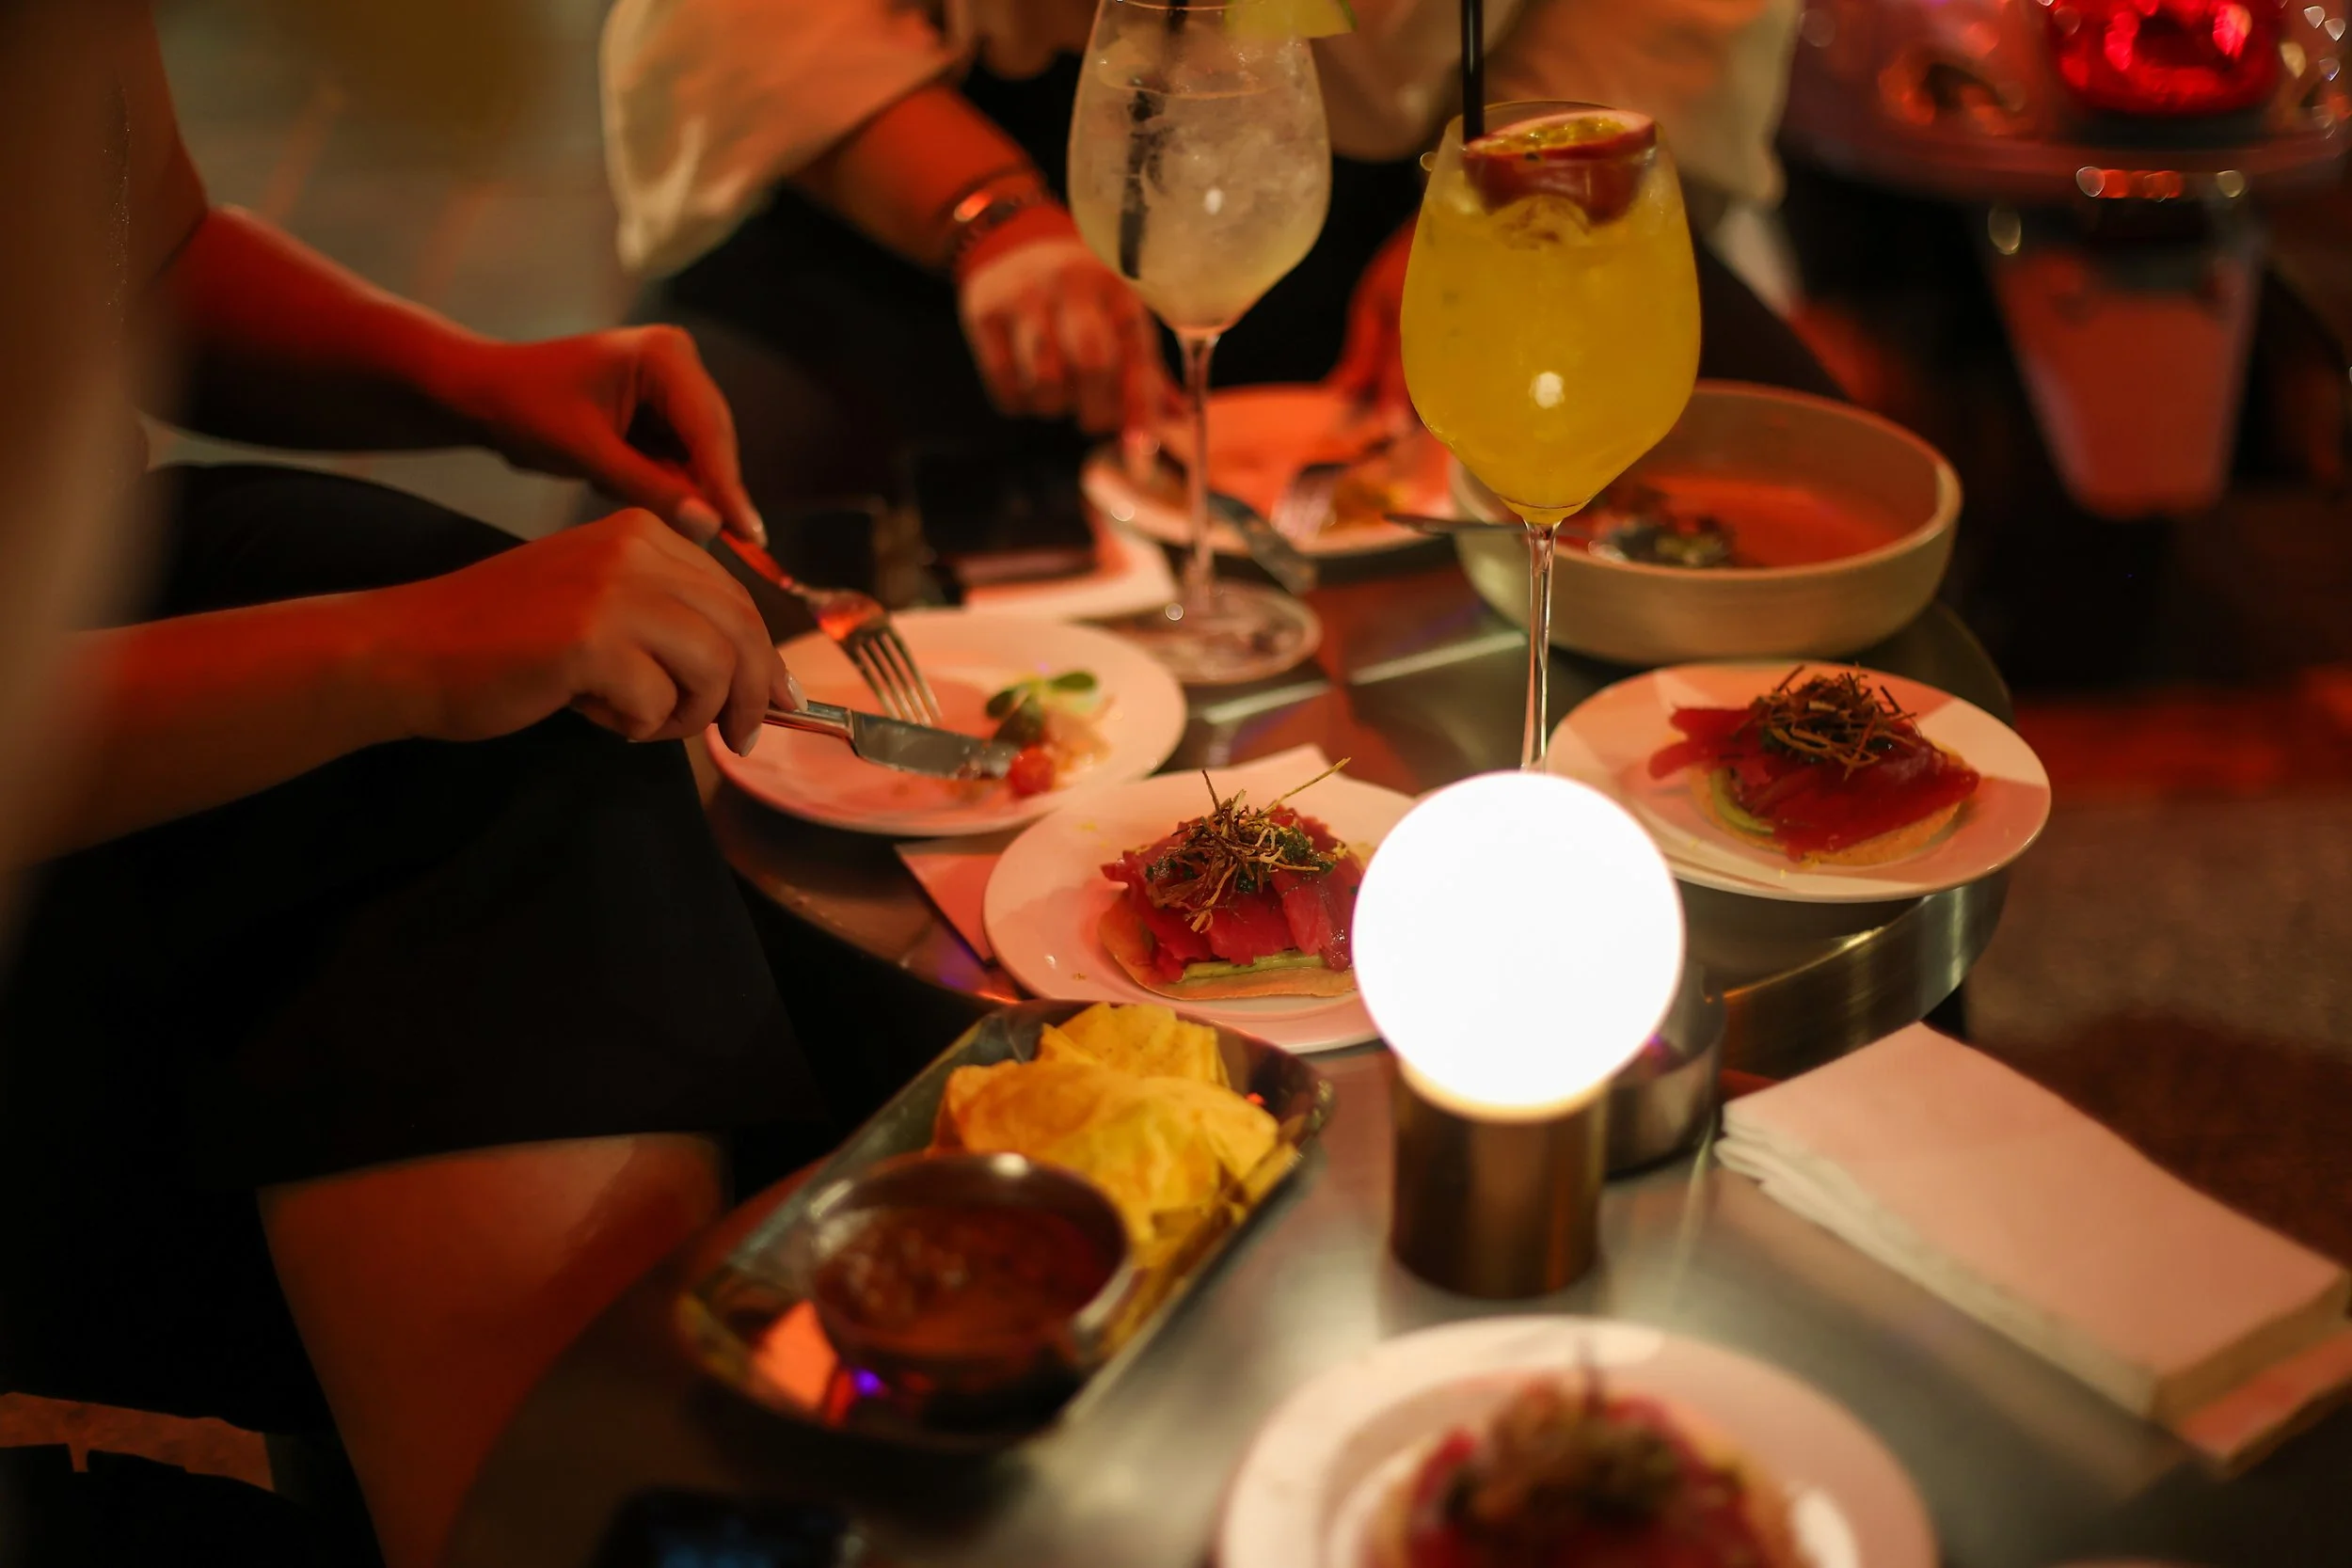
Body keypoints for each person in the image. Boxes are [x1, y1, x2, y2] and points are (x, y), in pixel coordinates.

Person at [0, 8, 832, 1568]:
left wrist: (485, 383)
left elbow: (144, 241)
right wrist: (397, 652)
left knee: (563, 755)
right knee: (496, 793)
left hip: (98, 592)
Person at [599, 0, 1833, 514]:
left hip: (1427, 164)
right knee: (697, 492)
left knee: (1779, 457)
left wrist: (1496, 205)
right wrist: (985, 215)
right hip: (929, 151)